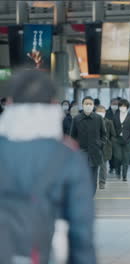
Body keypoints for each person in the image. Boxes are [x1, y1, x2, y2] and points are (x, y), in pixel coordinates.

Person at [0, 71, 96, 263]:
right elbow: (81, 229)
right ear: (53, 104)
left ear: (9, 102)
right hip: (42, 252)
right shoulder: (68, 156)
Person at [71, 96, 107, 195]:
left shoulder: (98, 118)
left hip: (94, 152)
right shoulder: (77, 119)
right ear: (82, 105)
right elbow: (72, 136)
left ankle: (90, 195)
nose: (88, 106)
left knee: (92, 177)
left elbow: (104, 134)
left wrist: (100, 144)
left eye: (90, 104)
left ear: (93, 105)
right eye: (86, 104)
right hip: (81, 152)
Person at [113, 99, 130, 181]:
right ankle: (117, 171)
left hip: (127, 140)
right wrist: (113, 138)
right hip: (117, 140)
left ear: (127, 107)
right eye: (121, 106)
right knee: (117, 157)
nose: (122, 107)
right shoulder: (115, 116)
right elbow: (113, 127)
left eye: (124, 106)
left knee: (126, 158)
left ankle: (124, 175)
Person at [96, 105, 116, 190]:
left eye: (102, 111)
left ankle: (102, 182)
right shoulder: (93, 121)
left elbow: (113, 134)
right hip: (94, 146)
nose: (101, 113)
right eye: (99, 111)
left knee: (103, 166)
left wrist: (109, 142)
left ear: (105, 112)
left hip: (105, 146)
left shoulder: (109, 122)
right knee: (93, 166)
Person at [106, 98, 120, 175]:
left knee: (117, 153)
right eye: (113, 104)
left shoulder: (121, 112)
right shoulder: (107, 112)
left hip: (118, 136)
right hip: (109, 136)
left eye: (116, 104)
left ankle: (117, 166)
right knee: (110, 153)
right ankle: (111, 167)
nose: (115, 105)